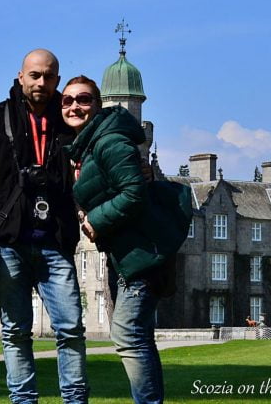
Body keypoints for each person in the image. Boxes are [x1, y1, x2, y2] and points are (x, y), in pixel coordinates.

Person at [0, 49, 88, 404]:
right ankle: (24, 401)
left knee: (70, 329)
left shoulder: (71, 120)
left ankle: (75, 400)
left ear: (58, 79)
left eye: (49, 76)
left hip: (55, 243)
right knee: (15, 331)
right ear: (21, 76)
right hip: (7, 243)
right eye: (35, 75)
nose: (42, 82)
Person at [61, 74, 171, 404]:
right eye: (67, 101)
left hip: (140, 253)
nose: (75, 106)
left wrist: (94, 219)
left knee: (126, 333)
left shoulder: (111, 142)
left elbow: (134, 194)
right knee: (138, 336)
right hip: (124, 254)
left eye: (84, 100)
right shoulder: (85, 148)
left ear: (99, 105)